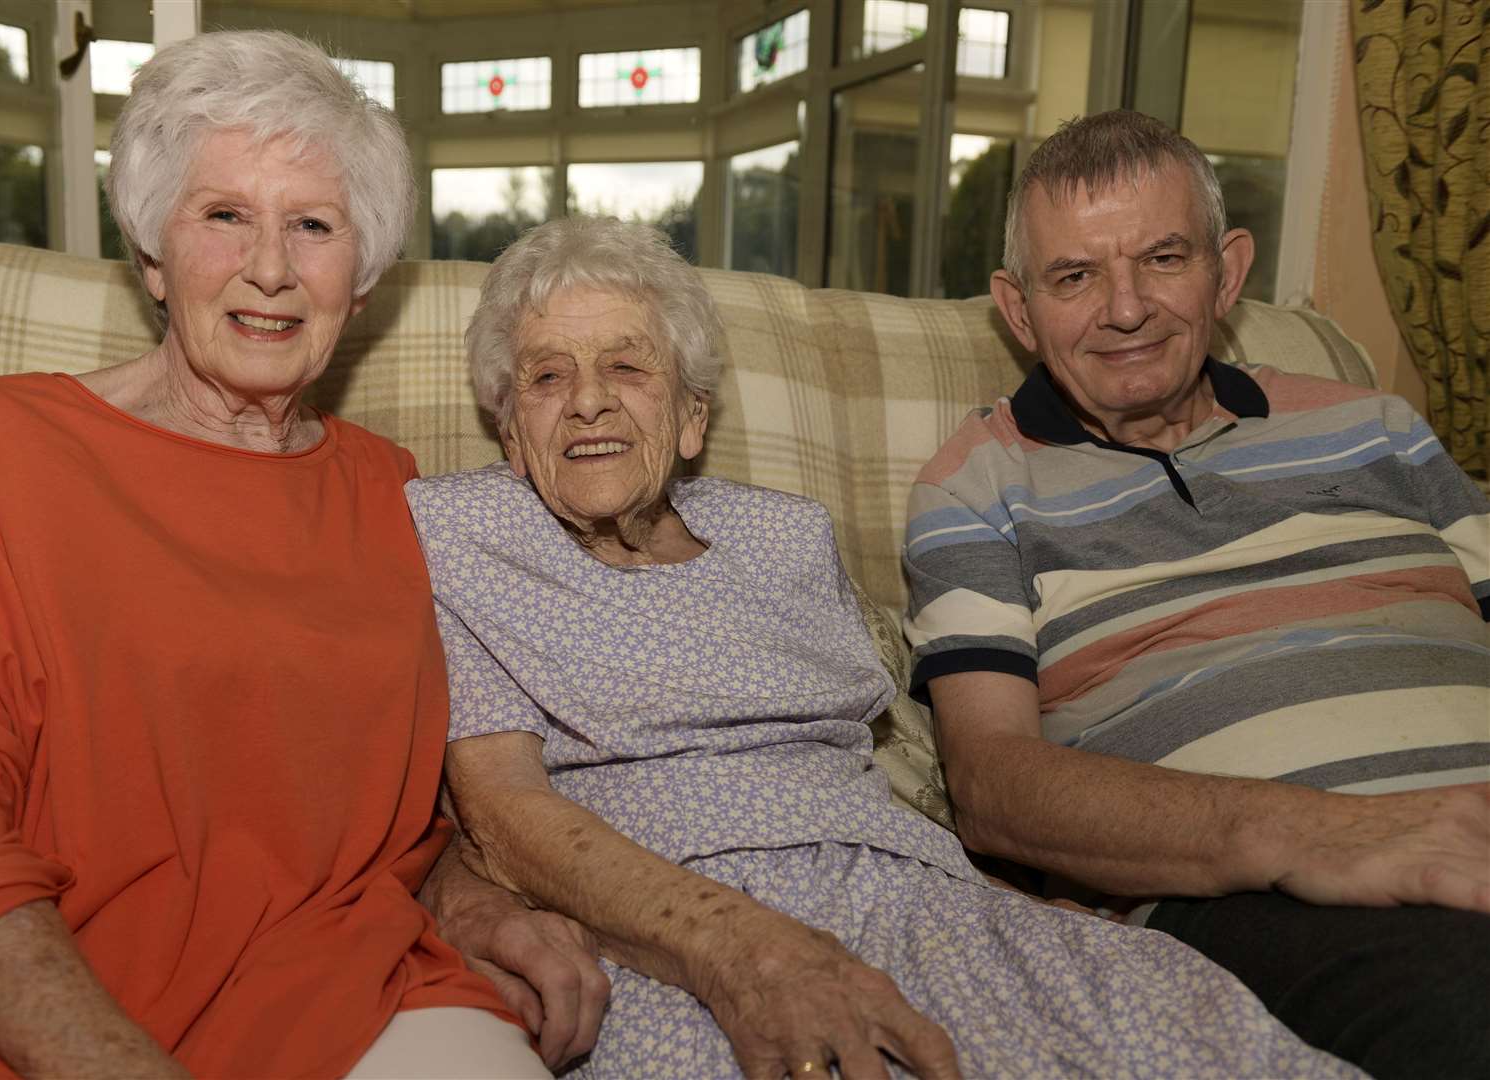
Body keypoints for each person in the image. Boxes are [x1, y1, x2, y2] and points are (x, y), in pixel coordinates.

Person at [406, 215, 1358, 1079]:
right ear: (510, 429)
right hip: (660, 932)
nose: (587, 404)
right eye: (547, 375)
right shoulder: (455, 534)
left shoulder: (789, 534)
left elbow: (883, 761)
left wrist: (1007, 905)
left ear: (692, 415)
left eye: (627, 368)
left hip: (907, 892)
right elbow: (502, 811)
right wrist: (749, 951)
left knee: (1184, 1035)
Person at [0, 30, 565, 1080]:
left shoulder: (396, 491)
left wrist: (474, 903)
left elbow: (415, 816)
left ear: (362, 276)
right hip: (14, 997)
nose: (272, 270)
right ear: (153, 253)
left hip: (335, 986)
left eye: (314, 225)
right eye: (225, 216)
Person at [903, 108, 1490, 1078]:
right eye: (1076, 276)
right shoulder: (978, 483)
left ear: (1229, 271)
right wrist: (1324, 832)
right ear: (1018, 308)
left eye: (1164, 258)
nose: (1125, 309)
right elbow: (994, 788)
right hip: (1280, 891)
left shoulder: (1379, 426)